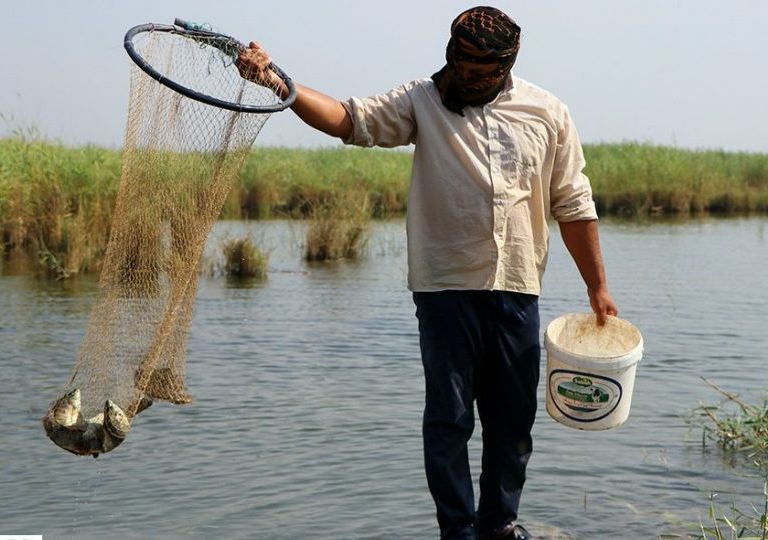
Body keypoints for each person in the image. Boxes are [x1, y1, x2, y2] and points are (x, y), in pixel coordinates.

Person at [238, 6, 618, 539]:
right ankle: (456, 529)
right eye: (459, 62)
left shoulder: (547, 112)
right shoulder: (422, 100)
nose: (465, 75)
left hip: (517, 289)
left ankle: (500, 524)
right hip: (444, 289)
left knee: (512, 422)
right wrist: (281, 83)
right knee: (449, 418)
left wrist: (597, 286)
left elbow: (573, 204)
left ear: (506, 65)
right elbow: (349, 119)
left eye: (480, 68)